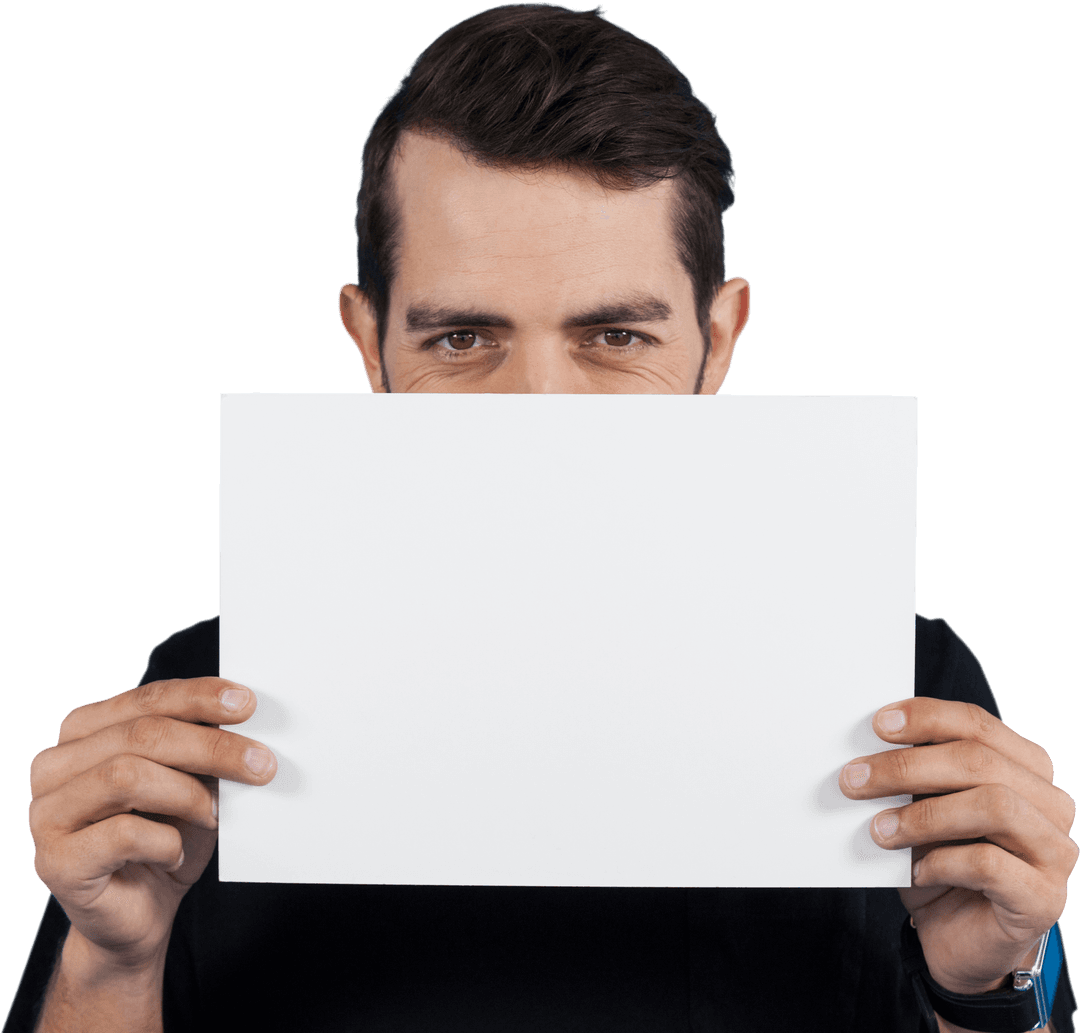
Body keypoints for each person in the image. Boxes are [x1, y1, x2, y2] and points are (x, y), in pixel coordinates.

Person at [7, 5, 1077, 1031]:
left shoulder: (904, 694)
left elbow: (997, 991)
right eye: (463, 339)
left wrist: (990, 991)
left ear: (720, 341)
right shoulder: (205, 708)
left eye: (615, 336)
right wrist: (110, 960)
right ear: (368, 346)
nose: (540, 411)